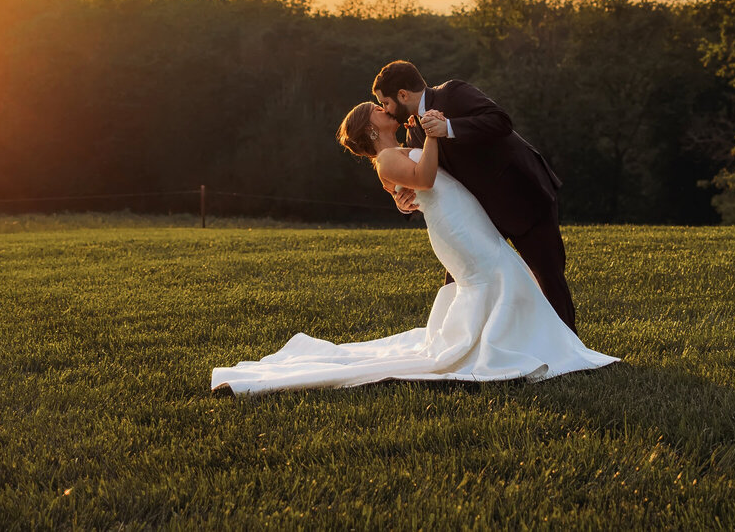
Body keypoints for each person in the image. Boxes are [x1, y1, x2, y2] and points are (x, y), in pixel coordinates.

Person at [209, 98, 617, 395]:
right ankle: (500, 345)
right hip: (454, 225)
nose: (384, 109)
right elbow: (423, 178)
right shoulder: (385, 159)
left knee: (501, 271)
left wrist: (427, 136)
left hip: (460, 215)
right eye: (376, 109)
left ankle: (521, 340)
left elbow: (413, 185)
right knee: (491, 274)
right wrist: (435, 136)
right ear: (371, 129)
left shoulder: (395, 147)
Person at [374, 61, 576, 330]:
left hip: (523, 195)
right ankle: (462, 350)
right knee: (461, 280)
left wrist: (448, 128)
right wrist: (405, 204)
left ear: (402, 95)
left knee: (548, 276)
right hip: (478, 215)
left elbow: (501, 121)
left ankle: (572, 351)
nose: (386, 110)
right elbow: (428, 179)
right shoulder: (413, 133)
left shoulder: (452, 93)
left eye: (385, 102)